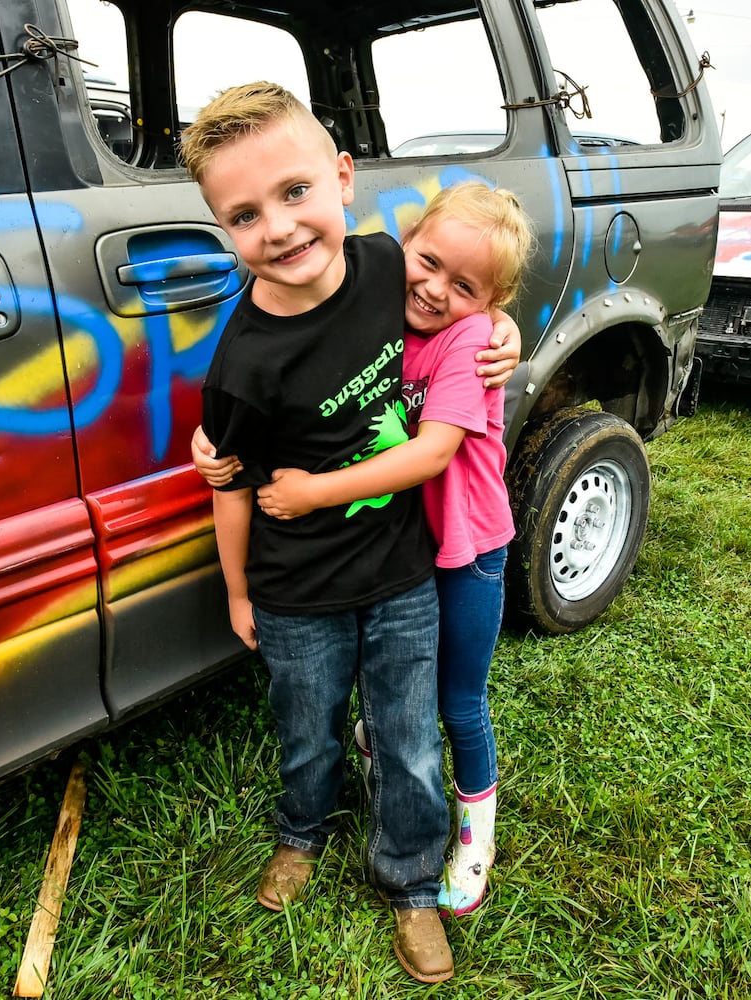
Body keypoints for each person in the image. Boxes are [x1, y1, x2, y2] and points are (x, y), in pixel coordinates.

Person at [180, 82, 517, 985]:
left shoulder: (385, 270)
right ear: (223, 227)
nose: (280, 229)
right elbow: (233, 484)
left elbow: (467, 315)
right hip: (295, 593)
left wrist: (503, 330)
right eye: (245, 215)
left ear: (341, 177)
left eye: (294, 194)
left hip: (402, 572)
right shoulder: (244, 366)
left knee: (407, 737)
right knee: (309, 729)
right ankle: (299, 834)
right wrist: (239, 590)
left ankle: (409, 882)